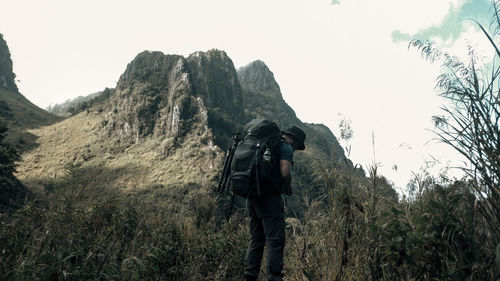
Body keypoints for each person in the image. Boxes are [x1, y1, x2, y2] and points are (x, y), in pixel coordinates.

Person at [244, 125, 306, 281]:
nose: (296, 149)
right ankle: (274, 278)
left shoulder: (267, 143)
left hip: (253, 196)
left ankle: (249, 277)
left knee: (257, 239)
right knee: (275, 241)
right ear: (294, 140)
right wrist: (288, 188)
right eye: (297, 146)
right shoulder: (285, 147)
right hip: (270, 198)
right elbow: (285, 172)